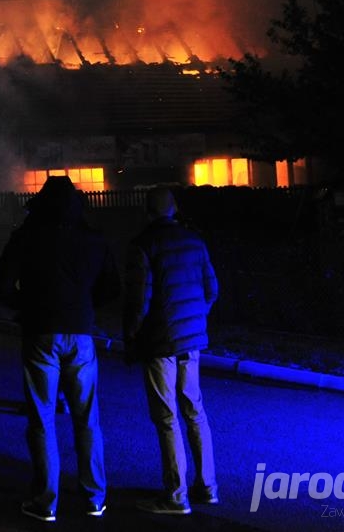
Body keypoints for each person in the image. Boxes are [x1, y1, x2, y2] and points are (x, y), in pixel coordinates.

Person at [0, 175, 121, 522]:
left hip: (40, 333)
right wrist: (85, 308)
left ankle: (46, 501)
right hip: (81, 334)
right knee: (87, 418)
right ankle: (95, 498)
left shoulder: (26, 237)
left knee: (42, 418)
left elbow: (0, 284)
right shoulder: (94, 240)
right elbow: (112, 286)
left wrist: (24, 306)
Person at [124, 186, 220, 515]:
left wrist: (132, 335)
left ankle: (176, 496)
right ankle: (208, 487)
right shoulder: (195, 241)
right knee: (195, 410)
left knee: (167, 417)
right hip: (191, 340)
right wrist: (195, 320)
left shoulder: (143, 245)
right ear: (174, 208)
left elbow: (140, 300)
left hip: (160, 341)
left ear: (147, 211)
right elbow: (212, 289)